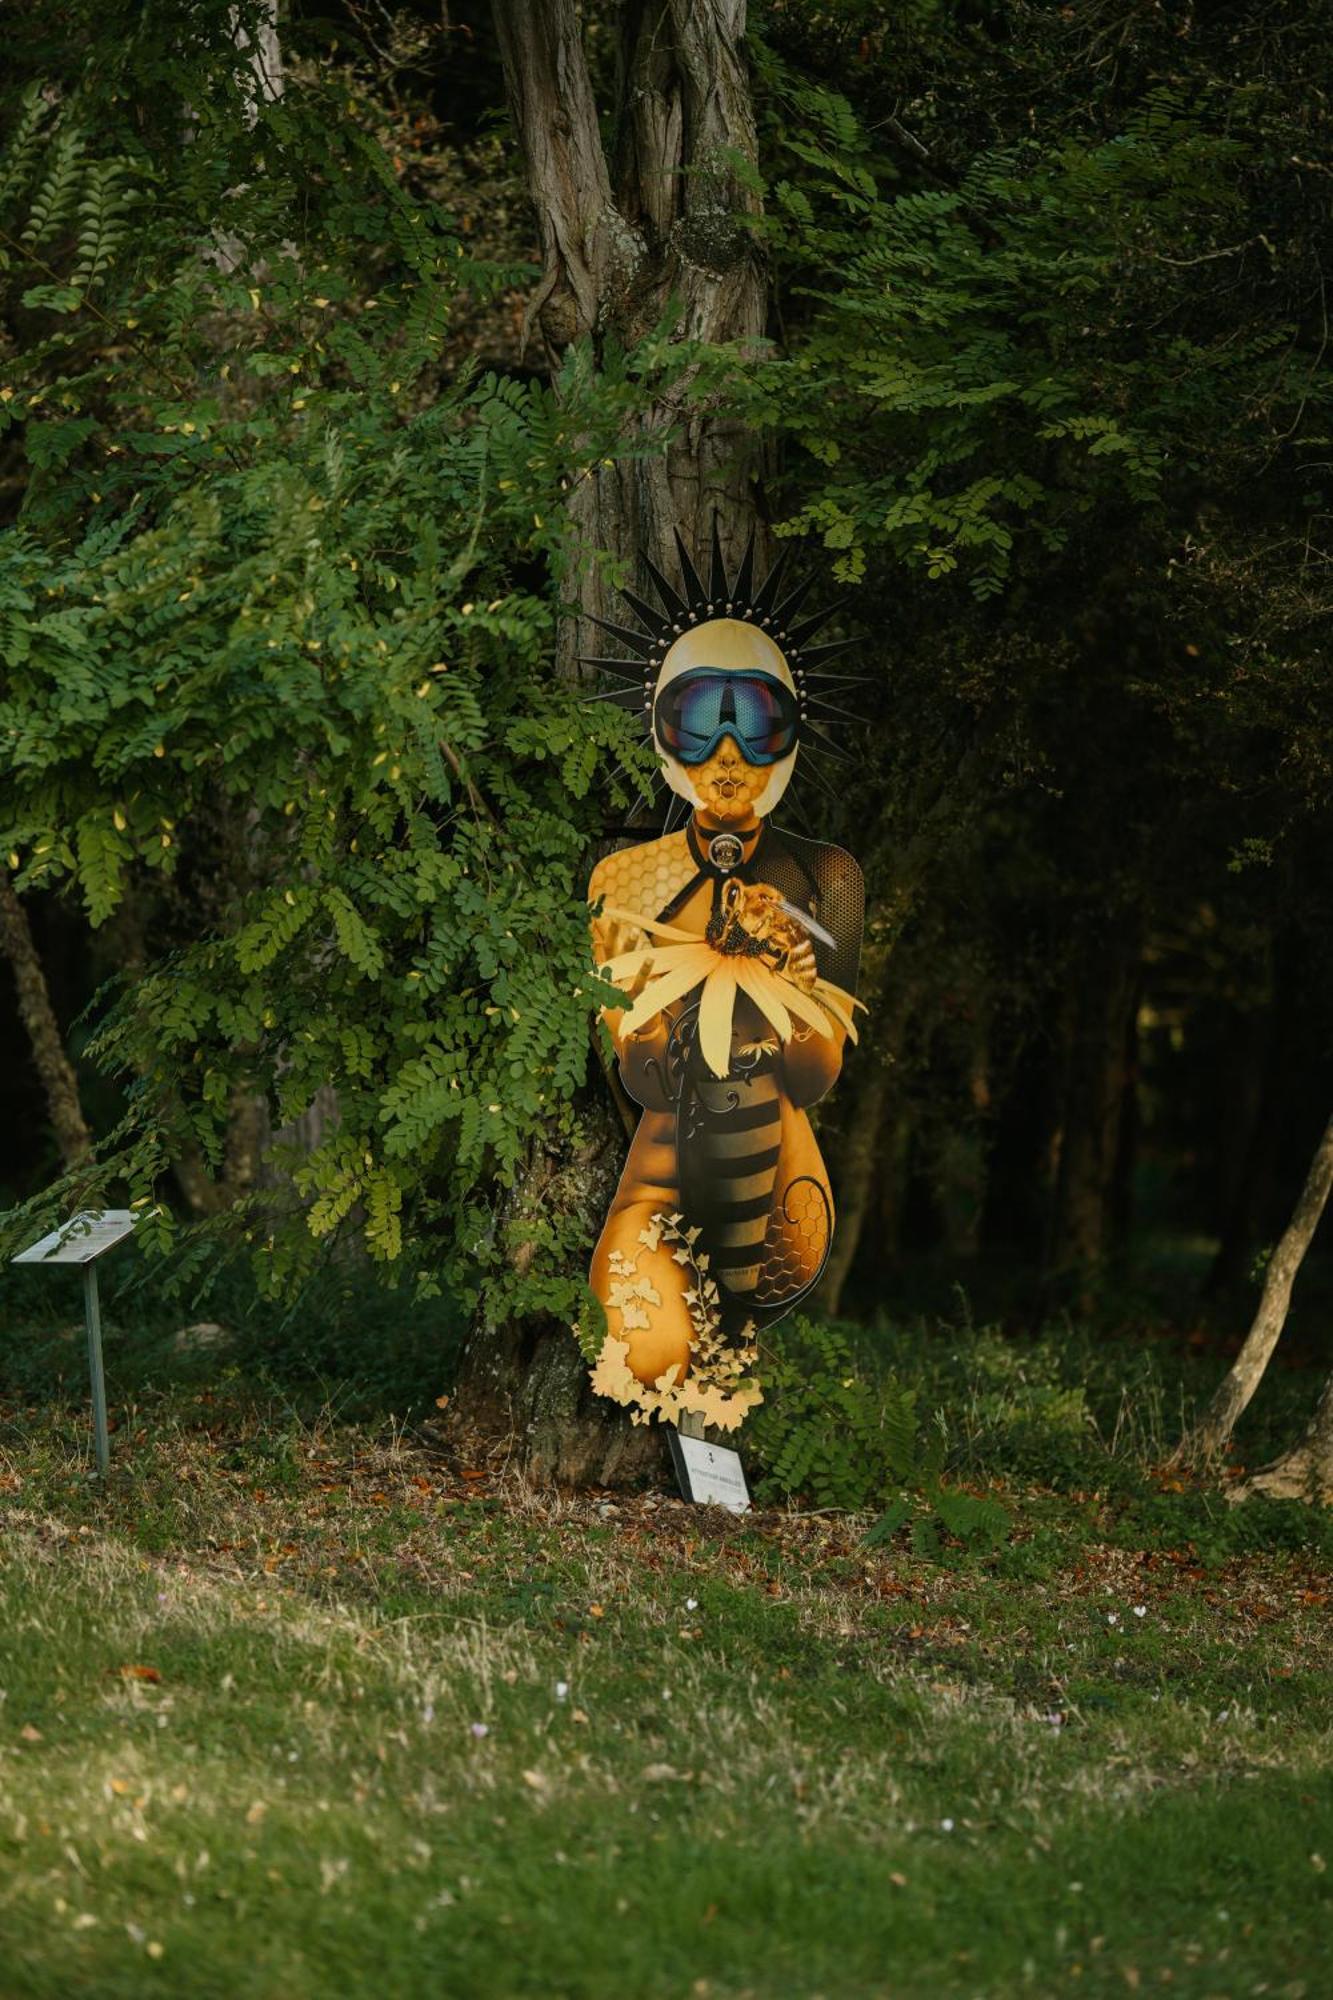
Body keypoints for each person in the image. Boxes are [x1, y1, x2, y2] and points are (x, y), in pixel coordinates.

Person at [583, 530, 865, 1428]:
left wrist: (792, 986)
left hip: (781, 1185)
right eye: (701, 717)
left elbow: (820, 1077)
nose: (730, 752)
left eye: (759, 717)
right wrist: (661, 1009)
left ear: (792, 728)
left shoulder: (829, 880)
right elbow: (633, 1077)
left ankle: (728, 1446)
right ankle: (686, 1454)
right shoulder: (623, 880)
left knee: (734, 1347)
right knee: (651, 1350)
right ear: (662, 725)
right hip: (659, 1176)